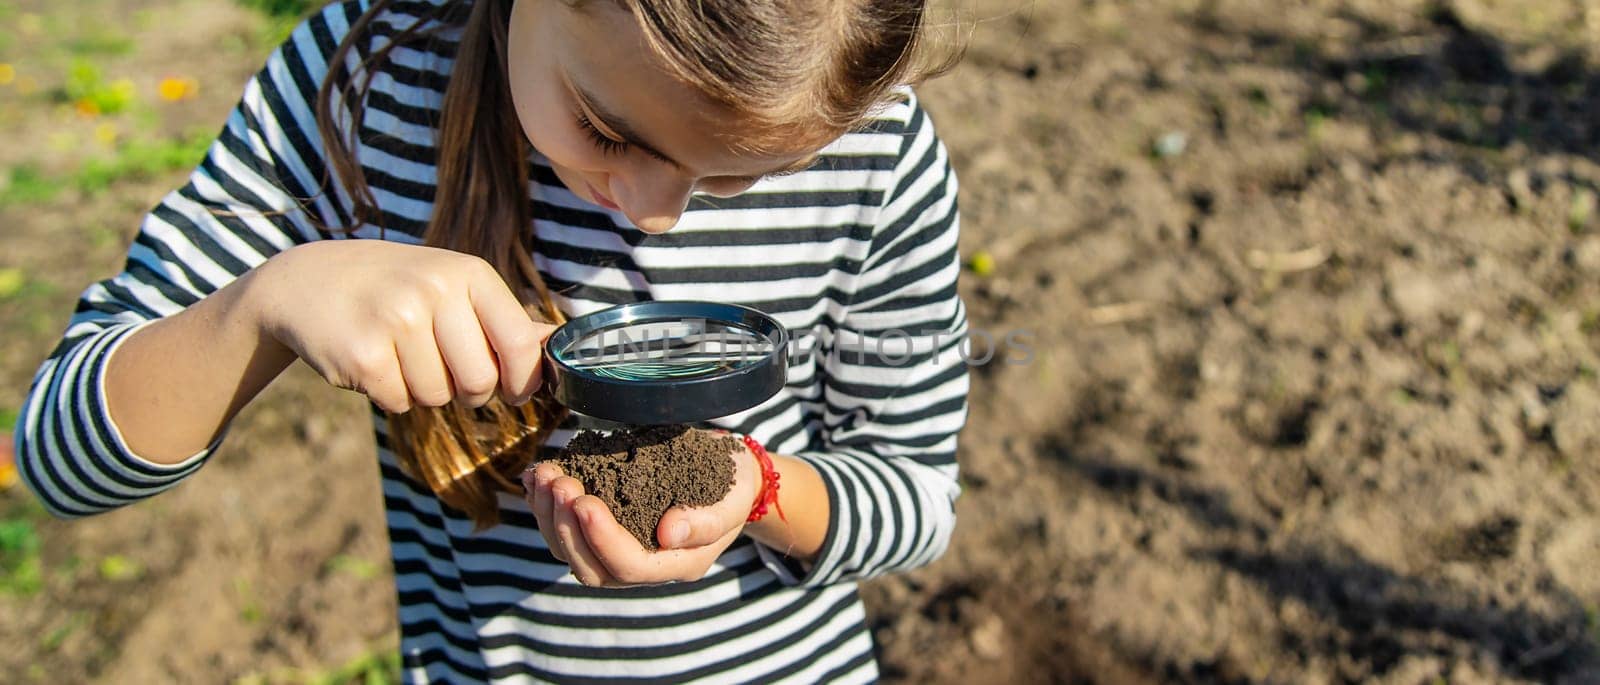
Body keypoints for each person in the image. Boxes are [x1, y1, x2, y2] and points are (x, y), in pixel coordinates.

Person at [12, 0, 969, 681]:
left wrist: (757, 486)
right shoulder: (364, 82)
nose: (655, 215)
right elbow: (60, 457)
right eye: (605, 128)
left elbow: (917, 492)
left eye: (734, 180)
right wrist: (264, 303)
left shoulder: (877, 154)